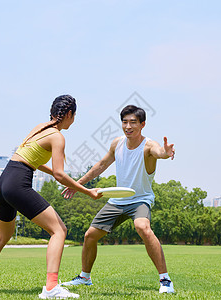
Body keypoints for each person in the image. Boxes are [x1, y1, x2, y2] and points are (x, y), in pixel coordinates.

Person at [0, 95, 101, 299]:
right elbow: (59, 174)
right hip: (17, 183)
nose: (73, 121)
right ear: (68, 114)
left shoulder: (39, 128)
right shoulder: (57, 136)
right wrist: (87, 191)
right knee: (59, 230)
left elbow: (34, 161)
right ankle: (51, 287)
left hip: (4, 181)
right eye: (74, 116)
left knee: (3, 235)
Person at [60, 104, 175, 293]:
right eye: (125, 122)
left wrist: (166, 152)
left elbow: (159, 153)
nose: (128, 126)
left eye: (133, 122)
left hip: (140, 199)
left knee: (142, 227)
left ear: (142, 124)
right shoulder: (117, 143)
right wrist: (77, 184)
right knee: (90, 236)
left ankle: (165, 281)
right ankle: (84, 277)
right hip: (118, 199)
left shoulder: (149, 146)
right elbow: (101, 164)